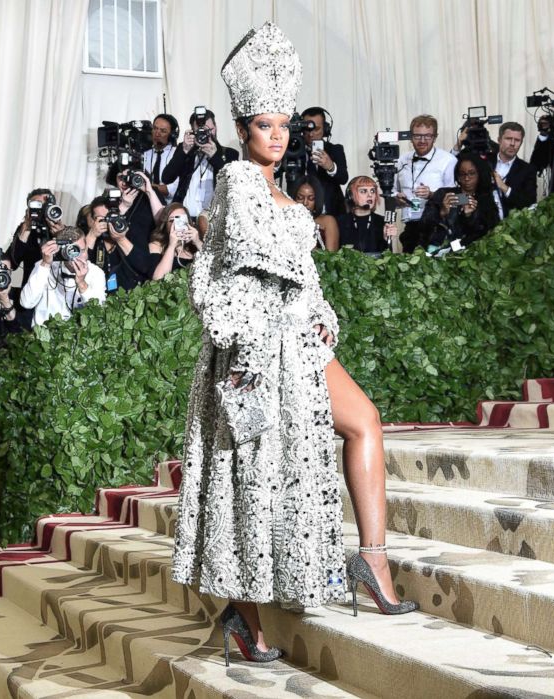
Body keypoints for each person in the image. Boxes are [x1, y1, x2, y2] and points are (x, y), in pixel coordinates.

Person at [171, 21, 416, 668]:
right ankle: (245, 618)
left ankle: (373, 560)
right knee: (247, 477)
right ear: (243, 128)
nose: (276, 136)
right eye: (264, 125)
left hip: (299, 343)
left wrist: (319, 314)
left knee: (364, 421)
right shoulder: (235, 181)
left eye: (284, 126)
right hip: (254, 350)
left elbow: (303, 278)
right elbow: (238, 267)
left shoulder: (284, 191)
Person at [393, 115, 457, 253]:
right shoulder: (401, 160)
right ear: (411, 137)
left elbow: (460, 198)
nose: (422, 140)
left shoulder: (448, 160)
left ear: (435, 137)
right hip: (409, 229)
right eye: (417, 136)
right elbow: (392, 192)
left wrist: (433, 195)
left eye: (427, 136)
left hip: (437, 228)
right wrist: (396, 199)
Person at [161, 108, 240, 216]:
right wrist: (184, 151)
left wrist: (214, 157)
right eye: (200, 131)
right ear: (192, 131)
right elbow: (166, 178)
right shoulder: (184, 150)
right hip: (185, 219)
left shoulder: (230, 154)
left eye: (209, 130)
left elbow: (233, 185)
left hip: (214, 220)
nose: (205, 135)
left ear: (215, 128)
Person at [19, 228, 106, 323]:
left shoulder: (96, 273)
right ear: (63, 251)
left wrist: (82, 284)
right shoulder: (45, 266)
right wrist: (45, 265)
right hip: (43, 332)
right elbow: (26, 303)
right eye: (73, 251)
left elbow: (99, 314)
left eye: (82, 250)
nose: (79, 256)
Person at [420, 152, 501, 253]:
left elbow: (488, 233)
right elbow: (423, 227)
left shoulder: (485, 200)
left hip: (470, 254)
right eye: (463, 174)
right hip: (437, 251)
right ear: (457, 176)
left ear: (479, 174)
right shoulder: (443, 194)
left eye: (472, 173)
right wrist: (442, 213)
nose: (467, 178)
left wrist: (469, 217)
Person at [299, 107, 349, 216]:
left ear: (326, 130)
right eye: (307, 129)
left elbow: (343, 178)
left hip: (331, 212)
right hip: (299, 212)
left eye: (316, 129)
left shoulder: (335, 150)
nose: (311, 134)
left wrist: (331, 167)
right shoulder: (292, 150)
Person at [335, 176, 397, 253]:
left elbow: (387, 257)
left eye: (372, 191)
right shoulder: (339, 222)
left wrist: (387, 240)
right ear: (351, 196)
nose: (370, 195)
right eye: (363, 191)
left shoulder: (382, 221)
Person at [492, 123, 537, 217]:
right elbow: (464, 188)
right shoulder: (485, 161)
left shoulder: (528, 170)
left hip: (509, 225)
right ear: (499, 140)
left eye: (517, 140)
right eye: (508, 139)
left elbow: (530, 202)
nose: (512, 144)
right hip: (482, 225)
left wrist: (504, 187)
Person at [149, 204, 203, 280]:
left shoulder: (194, 247)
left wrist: (197, 242)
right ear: (165, 225)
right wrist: (172, 246)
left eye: (181, 219)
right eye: (172, 220)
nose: (177, 224)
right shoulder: (157, 246)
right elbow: (158, 279)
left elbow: (216, 266)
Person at [288, 176, 340, 251]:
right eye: (300, 198)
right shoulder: (286, 221)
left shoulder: (328, 221)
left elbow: (332, 257)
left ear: (317, 200)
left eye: (311, 198)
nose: (305, 203)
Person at [143, 114, 180, 204]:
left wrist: (147, 186)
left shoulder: (178, 155)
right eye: (155, 128)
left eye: (163, 131)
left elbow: (172, 189)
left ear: (172, 135)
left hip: (170, 206)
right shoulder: (145, 155)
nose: (157, 133)